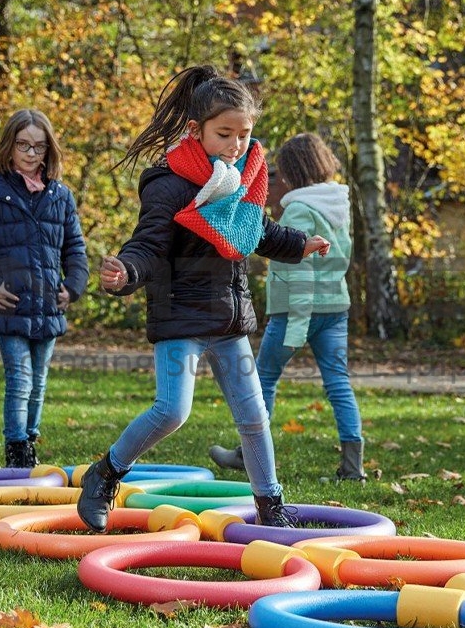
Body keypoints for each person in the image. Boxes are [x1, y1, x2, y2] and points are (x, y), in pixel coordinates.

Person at [76, 65, 330, 533]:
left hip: (228, 319)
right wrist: (127, 271)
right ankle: (106, 473)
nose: (236, 145)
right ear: (196, 130)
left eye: (244, 135)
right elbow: (149, 243)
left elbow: (256, 230)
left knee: (254, 417)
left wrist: (299, 243)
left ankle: (270, 506)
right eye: (224, 135)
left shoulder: (243, 175)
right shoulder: (169, 183)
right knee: (172, 411)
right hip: (180, 316)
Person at [209, 133, 365, 482]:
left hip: (296, 311)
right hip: (335, 307)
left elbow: (301, 270)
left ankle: (247, 454)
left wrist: (297, 325)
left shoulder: (299, 208)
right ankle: (353, 467)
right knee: (338, 383)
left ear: (293, 171)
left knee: (263, 378)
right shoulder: (338, 204)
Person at [0, 109, 89, 468]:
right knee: (20, 379)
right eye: (23, 145)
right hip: (9, 304)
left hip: (48, 304)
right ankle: (16, 449)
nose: (31, 154)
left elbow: (75, 249)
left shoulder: (60, 195)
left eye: (39, 147)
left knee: (39, 381)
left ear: (49, 150)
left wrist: (73, 287)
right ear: (9, 146)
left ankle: (30, 440)